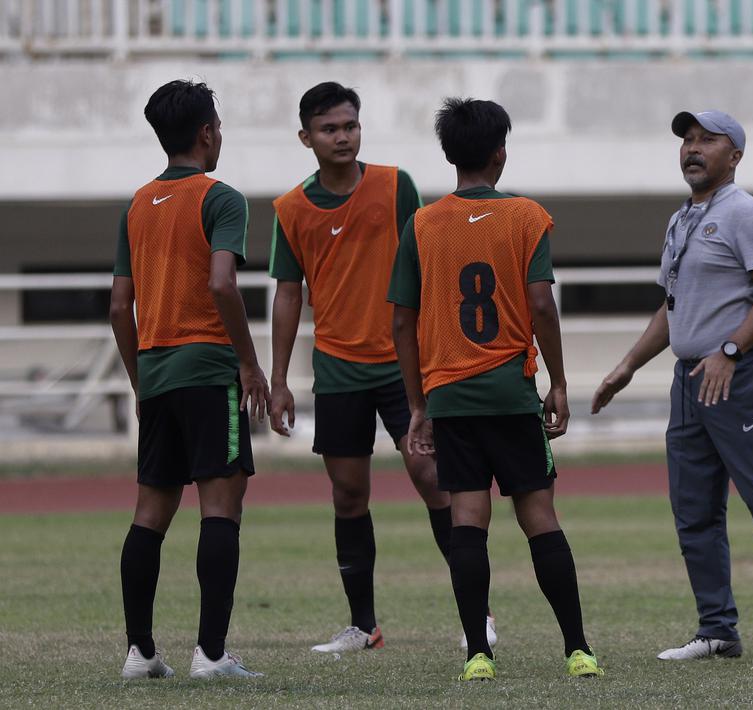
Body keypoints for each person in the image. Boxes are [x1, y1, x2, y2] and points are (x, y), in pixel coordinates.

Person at [268, 82, 496, 654]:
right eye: (328, 129)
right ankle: (363, 625)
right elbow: (288, 295)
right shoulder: (290, 209)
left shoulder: (396, 186)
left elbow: (430, 261)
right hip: (339, 368)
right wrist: (277, 380)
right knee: (349, 494)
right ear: (306, 138)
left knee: (431, 478)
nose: (342, 137)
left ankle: (478, 617)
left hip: (404, 364)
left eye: (349, 125)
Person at [388, 97, 602, 682]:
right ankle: (577, 650)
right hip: (511, 394)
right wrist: (558, 381)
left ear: (449, 153)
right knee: (540, 517)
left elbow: (402, 322)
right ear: (500, 152)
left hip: (450, 399)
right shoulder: (527, 216)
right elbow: (540, 304)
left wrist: (416, 405)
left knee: (467, 521)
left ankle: (478, 655)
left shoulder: (422, 224)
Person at [591, 110, 753, 663]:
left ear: (734, 155)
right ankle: (717, 629)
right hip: (688, 381)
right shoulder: (680, 220)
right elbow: (674, 309)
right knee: (694, 511)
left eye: (707, 140)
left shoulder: (746, 213)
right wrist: (628, 366)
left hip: (739, 377)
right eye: (687, 140)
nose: (693, 148)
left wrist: (731, 351)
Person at [110, 79, 269, 680]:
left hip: (156, 372)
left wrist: (140, 378)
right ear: (207, 133)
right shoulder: (221, 198)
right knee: (220, 508)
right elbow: (223, 283)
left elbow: (118, 304)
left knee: (150, 511)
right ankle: (210, 654)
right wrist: (249, 364)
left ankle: (140, 653)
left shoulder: (136, 204)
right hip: (207, 369)